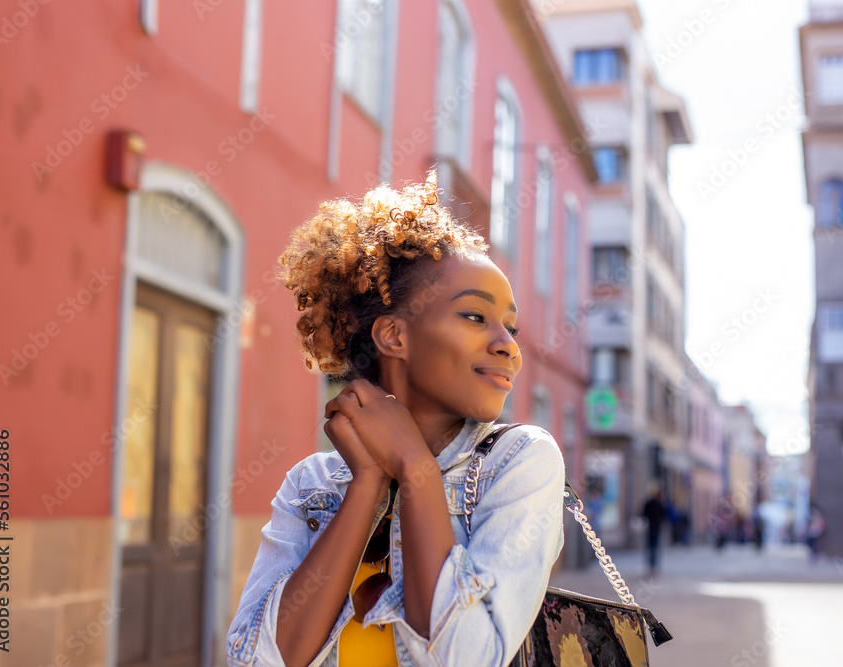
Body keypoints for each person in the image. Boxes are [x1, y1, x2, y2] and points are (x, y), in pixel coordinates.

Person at [226, 174, 566, 667]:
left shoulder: (520, 463)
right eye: (475, 317)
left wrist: (414, 465)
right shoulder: (311, 486)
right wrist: (367, 483)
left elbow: (466, 658)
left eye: (509, 327)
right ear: (393, 336)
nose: (508, 346)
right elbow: (255, 661)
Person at [641, 488, 667, 577]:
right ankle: (654, 567)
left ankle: (651, 568)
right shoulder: (660, 505)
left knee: (651, 548)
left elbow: (643, 514)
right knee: (654, 549)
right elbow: (664, 515)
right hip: (655, 528)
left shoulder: (650, 504)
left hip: (651, 528)